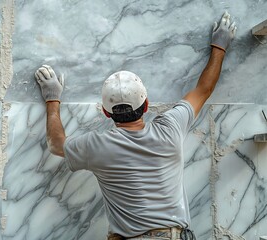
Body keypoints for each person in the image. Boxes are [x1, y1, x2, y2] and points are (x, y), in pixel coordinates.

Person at [34, 12, 236, 240]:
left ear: (105, 112)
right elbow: (203, 90)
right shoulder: (170, 127)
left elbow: (56, 144)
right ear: (147, 105)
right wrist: (220, 46)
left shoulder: (96, 146)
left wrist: (52, 99)